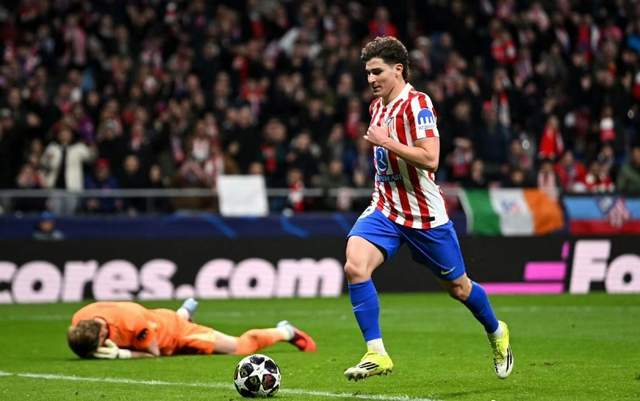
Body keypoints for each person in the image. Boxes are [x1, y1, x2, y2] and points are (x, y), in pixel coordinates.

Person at [343, 36, 513, 381]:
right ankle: (376, 353)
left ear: (398, 69)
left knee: (459, 288)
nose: (371, 79)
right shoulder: (377, 108)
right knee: (355, 266)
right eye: (368, 73)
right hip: (386, 208)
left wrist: (387, 141)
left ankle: (497, 331)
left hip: (424, 216)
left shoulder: (418, 104)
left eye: (377, 72)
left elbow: (431, 158)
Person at [67, 298, 316, 359]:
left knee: (239, 347)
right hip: (158, 318)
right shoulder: (80, 317)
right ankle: (185, 310)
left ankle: (286, 331)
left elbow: (154, 353)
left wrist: (122, 354)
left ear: (102, 334)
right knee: (171, 319)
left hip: (174, 333)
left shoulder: (132, 323)